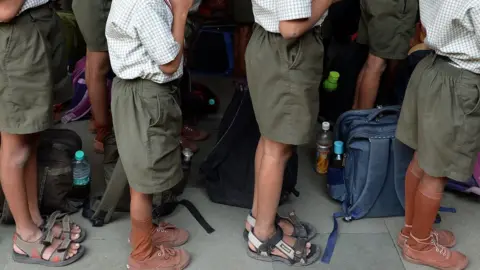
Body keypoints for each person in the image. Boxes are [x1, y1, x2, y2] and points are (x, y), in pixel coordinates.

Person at [244, 0, 332, 266]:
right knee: (278, 148)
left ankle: (258, 218)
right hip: (287, 52)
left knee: (270, 140)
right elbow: (291, 28)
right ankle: (264, 237)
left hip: (271, 46)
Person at [106, 0, 192, 269]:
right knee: (143, 181)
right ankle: (142, 254)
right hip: (143, 96)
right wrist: (180, 12)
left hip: (138, 93)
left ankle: (145, 231)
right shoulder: (143, 5)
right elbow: (169, 63)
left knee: (142, 173)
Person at [0, 0, 85, 266]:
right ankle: (25, 236)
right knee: (16, 145)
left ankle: (34, 219)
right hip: (17, 29)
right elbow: (6, 10)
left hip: (38, 20)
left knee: (32, 135)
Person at [396, 1, 480, 269]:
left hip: (432, 69)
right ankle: (420, 245)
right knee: (437, 169)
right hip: (459, 79)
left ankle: (411, 231)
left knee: (422, 158)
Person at [352, 0, 418, 109]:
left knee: (372, 61)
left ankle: (355, 117)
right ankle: (362, 121)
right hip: (392, 6)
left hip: (377, 4)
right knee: (376, 64)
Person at [72, 0, 112, 153]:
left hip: (90, 5)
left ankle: (98, 119)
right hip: (97, 5)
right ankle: (104, 131)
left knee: (93, 61)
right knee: (98, 66)